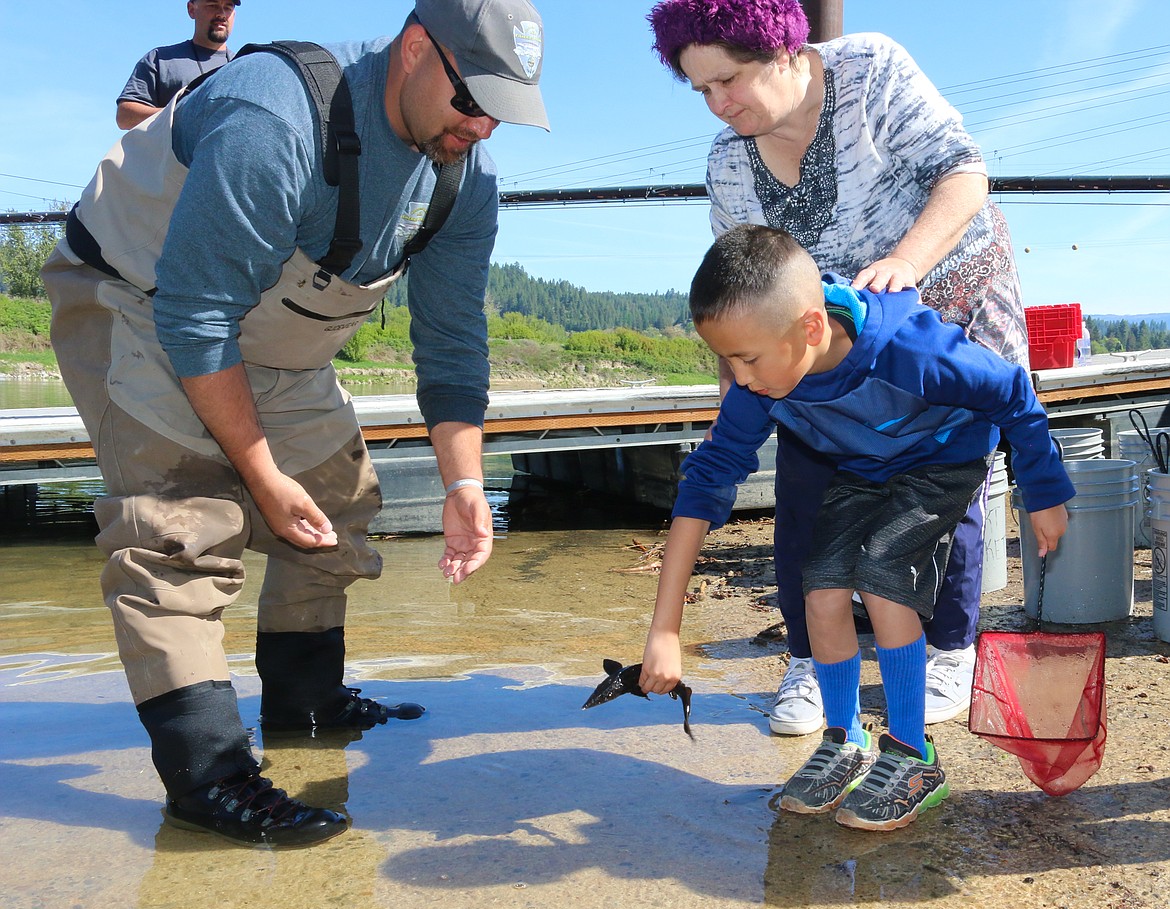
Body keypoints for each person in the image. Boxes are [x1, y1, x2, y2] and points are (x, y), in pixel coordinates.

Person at [41, 0, 548, 849]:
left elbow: (453, 347)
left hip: (275, 334)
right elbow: (199, 315)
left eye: (504, 107)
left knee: (340, 502)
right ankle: (211, 779)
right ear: (416, 50)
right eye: (472, 98)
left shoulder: (466, 178)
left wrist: (464, 482)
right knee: (180, 531)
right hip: (140, 297)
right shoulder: (274, 114)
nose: (484, 122)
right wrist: (260, 477)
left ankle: (304, 701)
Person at [647, 0, 1029, 736]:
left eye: (728, 81)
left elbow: (965, 173)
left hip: (939, 299)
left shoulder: (870, 71)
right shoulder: (728, 165)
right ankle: (810, 661)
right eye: (702, 91)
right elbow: (743, 294)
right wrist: (737, 383)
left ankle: (951, 647)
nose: (719, 105)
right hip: (818, 346)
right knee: (807, 484)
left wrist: (905, 264)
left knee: (941, 480)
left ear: (783, 48)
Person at [639, 224, 1073, 830]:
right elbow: (705, 482)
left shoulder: (913, 352)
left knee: (883, 576)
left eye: (748, 358)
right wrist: (666, 630)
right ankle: (844, 742)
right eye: (727, 359)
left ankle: (911, 754)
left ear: (811, 329)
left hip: (944, 455)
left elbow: (1010, 393)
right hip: (862, 465)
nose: (739, 378)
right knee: (819, 592)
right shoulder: (763, 379)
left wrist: (1044, 490)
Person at [116, 0, 242, 129]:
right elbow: (124, 116)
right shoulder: (160, 59)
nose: (221, 14)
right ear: (191, 9)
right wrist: (182, 114)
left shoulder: (242, 68)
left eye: (228, 7)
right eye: (212, 5)